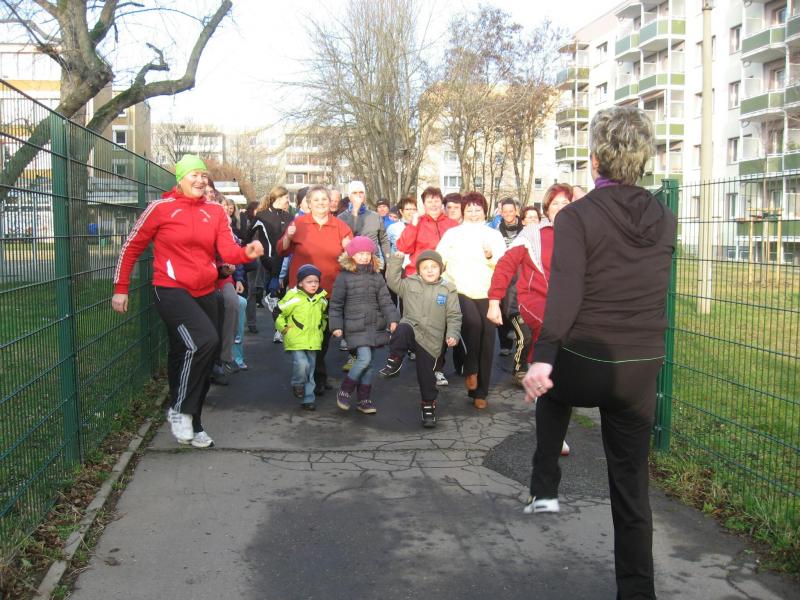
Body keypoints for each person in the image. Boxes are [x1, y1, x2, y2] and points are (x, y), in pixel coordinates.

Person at [522, 107, 676, 600]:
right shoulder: (664, 217)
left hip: (588, 361)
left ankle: (545, 484)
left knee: (551, 390)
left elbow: (565, 291)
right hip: (640, 366)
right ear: (643, 159)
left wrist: (543, 355)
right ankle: (638, 593)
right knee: (632, 487)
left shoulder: (576, 216)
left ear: (594, 161)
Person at [112, 154, 263, 448]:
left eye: (203, 175)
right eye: (193, 175)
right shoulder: (160, 208)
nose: (200, 180)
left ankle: (195, 423)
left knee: (197, 353)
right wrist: (121, 288)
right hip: (170, 288)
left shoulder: (215, 211)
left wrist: (246, 253)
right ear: (180, 179)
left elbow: (227, 251)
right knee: (204, 341)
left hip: (205, 289)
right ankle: (180, 409)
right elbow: (131, 247)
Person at [488, 184, 574, 456]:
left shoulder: (581, 234)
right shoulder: (533, 234)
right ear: (547, 208)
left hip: (570, 306)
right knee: (552, 349)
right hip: (537, 302)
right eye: (555, 203)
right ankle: (553, 432)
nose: (561, 208)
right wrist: (494, 300)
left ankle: (553, 423)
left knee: (562, 368)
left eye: (566, 203)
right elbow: (506, 265)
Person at [278, 185, 352, 394]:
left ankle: (316, 373)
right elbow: (281, 250)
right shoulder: (299, 223)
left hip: (329, 290)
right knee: (304, 335)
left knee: (323, 336)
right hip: (303, 293)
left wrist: (351, 251)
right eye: (316, 200)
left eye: (324, 199)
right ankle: (311, 378)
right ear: (308, 203)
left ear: (330, 202)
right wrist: (288, 237)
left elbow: (351, 255)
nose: (321, 203)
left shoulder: (340, 226)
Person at [436, 191, 506, 409]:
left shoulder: (493, 235)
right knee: (473, 324)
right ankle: (471, 369)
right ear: (463, 212)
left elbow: (504, 265)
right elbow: (439, 258)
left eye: (478, 209)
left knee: (487, 339)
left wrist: (490, 256)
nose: (474, 214)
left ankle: (480, 392)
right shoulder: (453, 234)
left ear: (485, 211)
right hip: (459, 289)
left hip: (487, 292)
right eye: (469, 210)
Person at [381, 250, 461, 427]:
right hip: (412, 329)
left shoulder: (448, 288)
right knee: (402, 329)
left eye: (434, 267)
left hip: (431, 339)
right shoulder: (409, 283)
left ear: (441, 269)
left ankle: (428, 406)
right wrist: (397, 259)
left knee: (427, 377)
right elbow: (392, 281)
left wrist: (453, 334)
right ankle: (394, 360)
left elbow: (454, 315)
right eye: (425, 267)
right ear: (419, 270)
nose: (430, 270)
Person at [328, 236, 399, 415]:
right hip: (354, 326)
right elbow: (336, 304)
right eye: (360, 254)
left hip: (374, 325)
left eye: (368, 254)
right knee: (364, 359)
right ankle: (345, 390)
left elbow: (385, 300)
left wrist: (393, 319)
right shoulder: (344, 277)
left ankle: (364, 400)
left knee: (369, 365)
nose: (364, 257)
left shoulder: (376, 276)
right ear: (352, 255)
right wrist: (336, 325)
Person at [274, 263, 328, 411]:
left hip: (314, 339)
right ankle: (297, 383)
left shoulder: (321, 299)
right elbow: (278, 312)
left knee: (310, 370)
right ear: (300, 283)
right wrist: (284, 329)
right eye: (309, 281)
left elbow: (324, 316)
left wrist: (321, 328)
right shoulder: (294, 297)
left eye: (316, 281)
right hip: (296, 338)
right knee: (302, 364)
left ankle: (308, 399)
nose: (313, 284)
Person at [252, 185, 293, 341]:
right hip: (268, 262)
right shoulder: (262, 216)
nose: (288, 201)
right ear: (278, 198)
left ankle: (279, 329)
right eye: (286, 198)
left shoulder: (289, 217)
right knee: (275, 296)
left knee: (281, 296)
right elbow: (249, 235)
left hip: (285, 260)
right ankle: (280, 328)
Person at [493, 197, 524, 357]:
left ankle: (519, 339)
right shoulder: (496, 230)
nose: (508, 214)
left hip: (521, 272)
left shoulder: (524, 228)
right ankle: (505, 343)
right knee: (502, 307)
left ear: (516, 211)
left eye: (511, 211)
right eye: (505, 211)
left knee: (518, 307)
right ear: (501, 212)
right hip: (504, 271)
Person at [337, 181, 390, 267]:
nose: (358, 195)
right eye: (354, 193)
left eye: (361, 192)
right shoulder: (341, 218)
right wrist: (355, 211)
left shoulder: (375, 216)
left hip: (372, 264)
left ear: (365, 196)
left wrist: (388, 261)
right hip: (351, 265)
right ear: (349, 197)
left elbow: (384, 240)